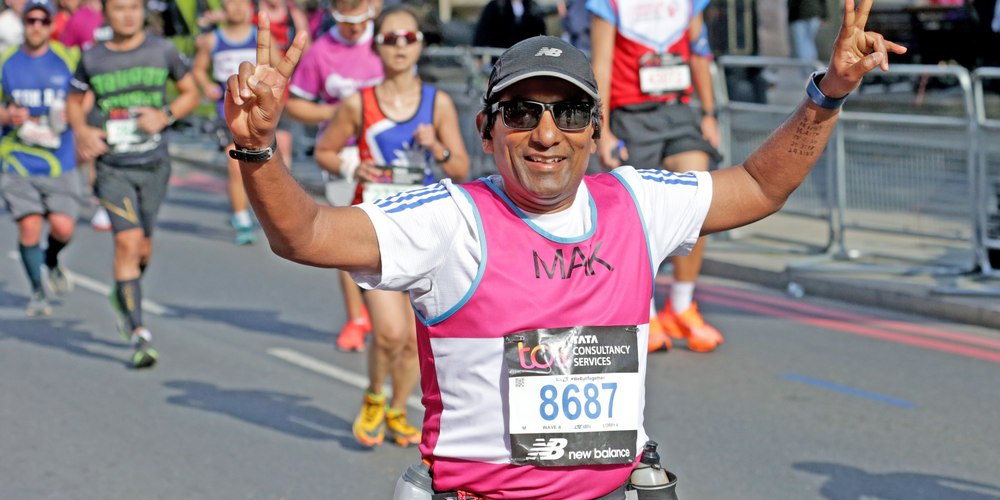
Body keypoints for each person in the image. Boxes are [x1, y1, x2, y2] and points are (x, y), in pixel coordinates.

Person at [223, 0, 902, 494]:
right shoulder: (450, 220)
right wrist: (257, 149)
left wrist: (830, 92)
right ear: (488, 130)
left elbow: (757, 184)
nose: (547, 133)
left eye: (569, 113)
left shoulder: (635, 202)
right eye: (522, 112)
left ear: (593, 129)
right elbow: (305, 232)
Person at [314, 4, 470, 447]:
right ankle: (374, 397)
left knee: (411, 343)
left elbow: (458, 165)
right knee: (390, 332)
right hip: (377, 231)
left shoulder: (435, 103)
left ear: (420, 45)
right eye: (390, 39)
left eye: (408, 39)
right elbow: (324, 152)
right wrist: (351, 166)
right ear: (376, 45)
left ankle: (400, 408)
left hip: (424, 232)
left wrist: (436, 145)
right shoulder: (357, 103)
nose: (400, 47)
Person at [67, 0, 200, 368]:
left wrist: (166, 114)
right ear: (106, 13)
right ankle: (138, 332)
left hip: (154, 164)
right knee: (126, 242)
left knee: (142, 249)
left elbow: (192, 93)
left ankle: (123, 293)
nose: (127, 14)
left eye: (133, 7)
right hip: (113, 168)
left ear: (142, 11)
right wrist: (81, 131)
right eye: (119, 8)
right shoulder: (93, 57)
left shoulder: (163, 50)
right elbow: (74, 101)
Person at [590, 0, 725, 352]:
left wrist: (709, 114)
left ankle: (681, 306)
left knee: (699, 195)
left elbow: (699, 52)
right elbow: (601, 66)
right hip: (631, 115)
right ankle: (644, 312)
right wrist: (602, 130)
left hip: (677, 110)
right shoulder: (607, 4)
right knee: (638, 213)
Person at [285, 0, 383, 355]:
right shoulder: (322, 50)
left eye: (360, 20)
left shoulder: (389, 43)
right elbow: (295, 104)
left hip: (389, 158)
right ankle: (356, 318)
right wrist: (339, 112)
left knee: (392, 238)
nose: (354, 28)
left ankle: (392, 315)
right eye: (345, 20)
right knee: (348, 243)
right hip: (341, 154)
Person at [0, 0, 79, 316]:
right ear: (24, 24)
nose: (36, 26)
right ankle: (37, 292)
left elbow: (85, 96)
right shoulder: (6, 61)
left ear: (50, 25)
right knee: (29, 227)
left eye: (42, 21)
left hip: (59, 158)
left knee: (62, 229)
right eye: (30, 20)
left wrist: (72, 115)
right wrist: (7, 115)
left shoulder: (66, 58)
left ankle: (52, 260)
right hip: (18, 157)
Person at [192, 0, 272, 244]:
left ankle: (270, 216)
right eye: (231, 3)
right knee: (237, 168)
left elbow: (279, 67)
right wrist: (206, 85)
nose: (237, 8)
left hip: (260, 114)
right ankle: (242, 219)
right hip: (230, 116)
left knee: (267, 169)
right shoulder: (213, 40)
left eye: (242, 3)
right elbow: (198, 68)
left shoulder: (260, 39)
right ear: (223, 8)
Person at [472, 0, 547, 49]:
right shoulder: (496, 6)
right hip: (501, 57)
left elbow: (541, 33)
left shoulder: (532, 6)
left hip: (526, 57)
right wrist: (479, 54)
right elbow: (482, 31)